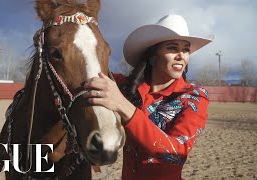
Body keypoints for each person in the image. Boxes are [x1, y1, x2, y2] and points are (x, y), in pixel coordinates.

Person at [83, 14, 214, 179]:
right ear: (153, 55)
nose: (181, 55)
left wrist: (124, 106)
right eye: (173, 48)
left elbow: (176, 153)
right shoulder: (127, 88)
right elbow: (86, 73)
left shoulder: (194, 97)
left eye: (186, 49)